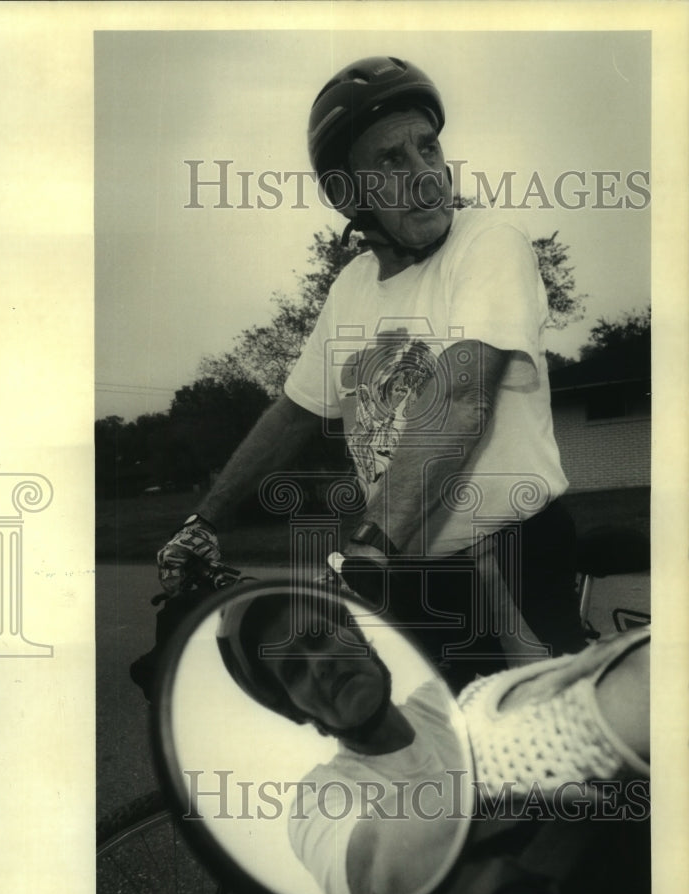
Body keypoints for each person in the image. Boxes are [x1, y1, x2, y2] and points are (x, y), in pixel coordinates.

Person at [158, 55, 587, 689]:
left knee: (547, 765)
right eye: (391, 160)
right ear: (347, 195)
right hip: (405, 568)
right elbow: (294, 412)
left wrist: (369, 544)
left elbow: (461, 393)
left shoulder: (489, 240)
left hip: (508, 557)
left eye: (428, 147)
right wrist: (204, 521)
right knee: (417, 756)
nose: (425, 176)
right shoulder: (352, 287)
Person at [216, 590, 650, 894]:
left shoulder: (442, 701)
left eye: (318, 636)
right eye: (293, 669)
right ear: (296, 710)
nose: (320, 663)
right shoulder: (318, 799)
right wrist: (513, 754)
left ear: (358, 636)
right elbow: (372, 871)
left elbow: (536, 677)